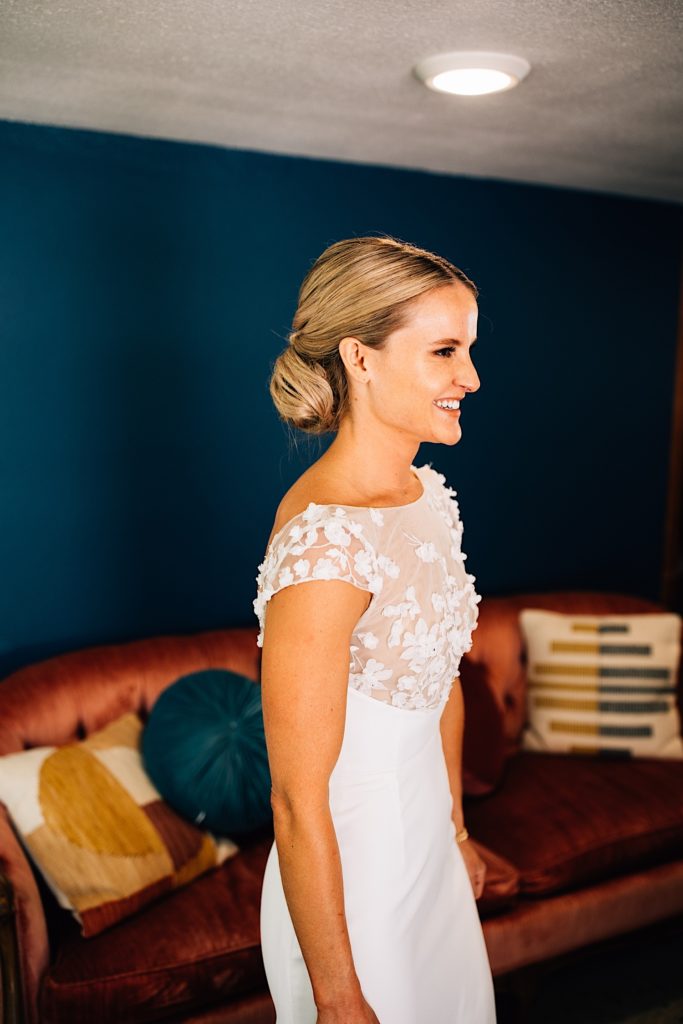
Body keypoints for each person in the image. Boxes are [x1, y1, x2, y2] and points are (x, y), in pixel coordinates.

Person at [253, 234, 497, 1024]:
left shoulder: (428, 496)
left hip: (427, 839)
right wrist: (336, 997)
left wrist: (457, 830)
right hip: (354, 881)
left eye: (467, 348)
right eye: (443, 351)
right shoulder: (325, 544)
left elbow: (439, 679)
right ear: (360, 359)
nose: (470, 377)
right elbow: (294, 798)